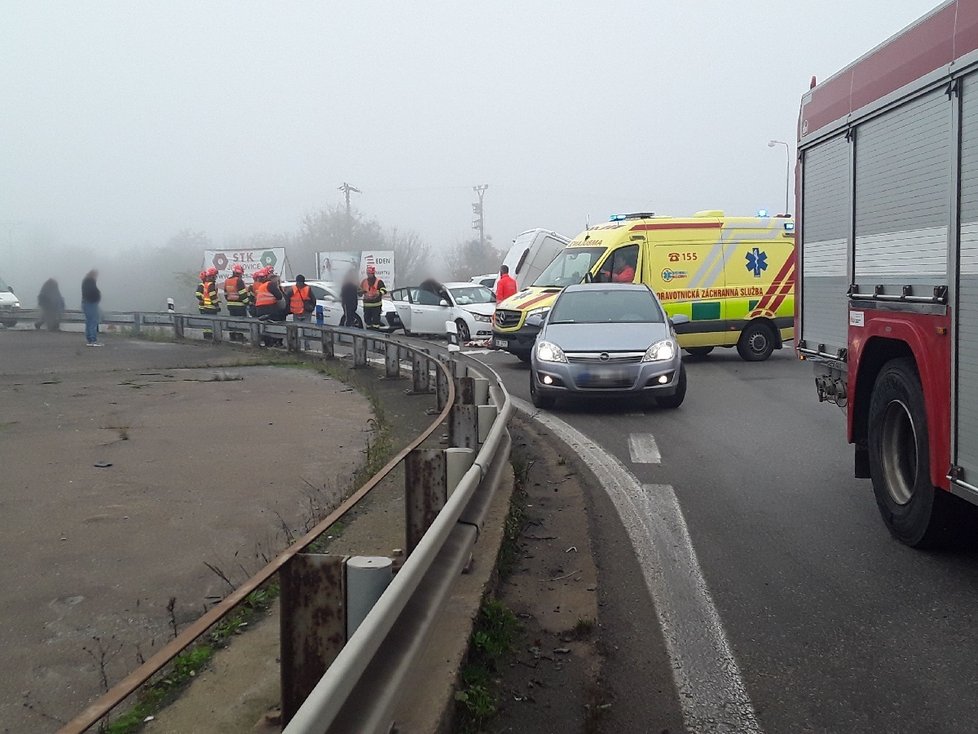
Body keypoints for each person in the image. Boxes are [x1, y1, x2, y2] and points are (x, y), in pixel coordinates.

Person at [223, 264, 250, 342]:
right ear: (240, 273)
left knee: (232, 320)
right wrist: (247, 303)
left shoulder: (227, 281)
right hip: (240, 305)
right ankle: (240, 337)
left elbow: (225, 294)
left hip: (230, 305)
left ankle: (232, 336)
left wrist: (229, 301)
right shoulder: (239, 281)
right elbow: (243, 294)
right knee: (240, 321)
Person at [359, 265, 387, 330]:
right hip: (367, 305)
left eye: (370, 273)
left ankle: (375, 333)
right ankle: (368, 333)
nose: (369, 275)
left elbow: (384, 290)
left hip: (376, 305)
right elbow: (359, 290)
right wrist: (361, 292)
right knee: (367, 320)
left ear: (373, 273)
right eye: (368, 273)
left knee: (376, 322)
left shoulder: (379, 281)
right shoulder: (364, 281)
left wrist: (379, 293)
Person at [81, 270, 102, 346]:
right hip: (90, 303)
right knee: (93, 321)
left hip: (86, 303)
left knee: (89, 321)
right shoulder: (90, 281)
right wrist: (97, 297)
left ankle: (90, 340)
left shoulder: (86, 281)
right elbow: (91, 292)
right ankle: (93, 340)